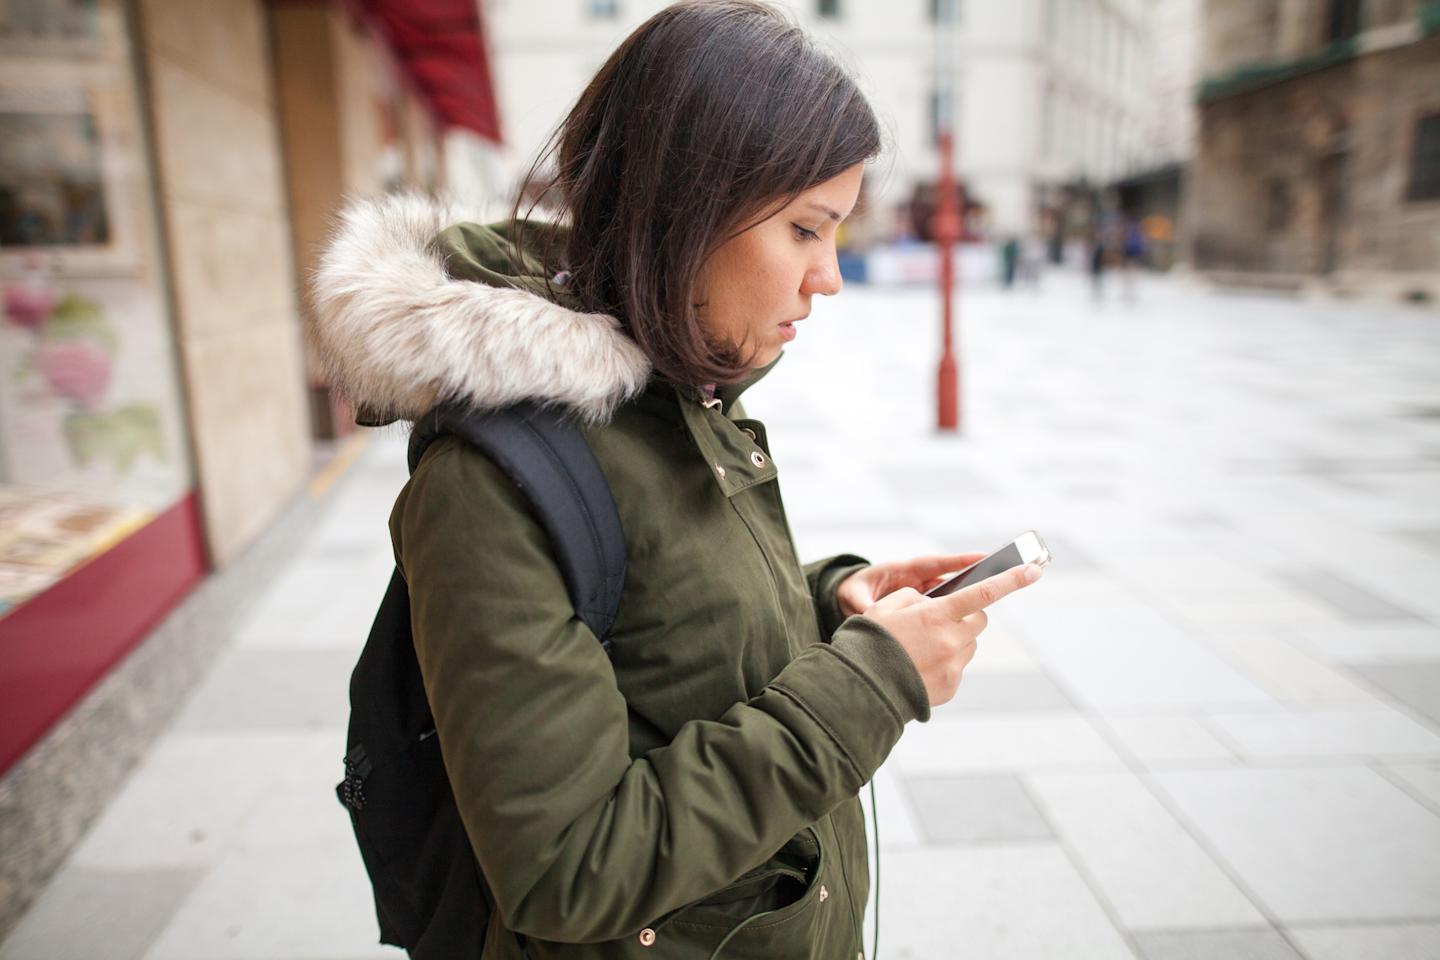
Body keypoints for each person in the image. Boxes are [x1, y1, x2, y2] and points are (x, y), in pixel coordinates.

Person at [310, 2, 1042, 958]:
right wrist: (872, 685)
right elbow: (564, 868)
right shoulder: (488, 487)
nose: (830, 276)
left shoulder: (684, 394)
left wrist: (833, 607)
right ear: (687, 208)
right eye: (806, 229)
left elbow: (667, 647)